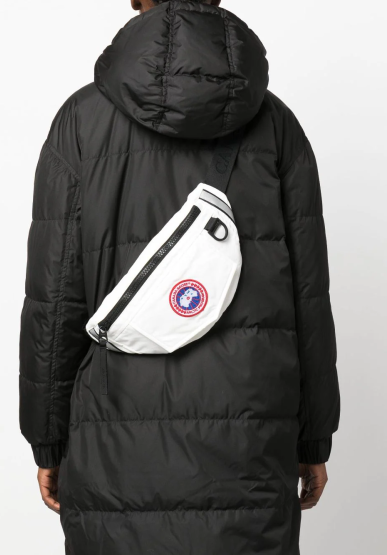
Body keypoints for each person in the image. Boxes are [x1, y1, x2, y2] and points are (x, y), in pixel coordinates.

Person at [19, 0, 340, 553]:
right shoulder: (277, 126)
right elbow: (308, 297)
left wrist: (47, 439)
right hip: (249, 446)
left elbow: (55, 298)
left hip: (116, 444)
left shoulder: (80, 121)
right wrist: (314, 435)